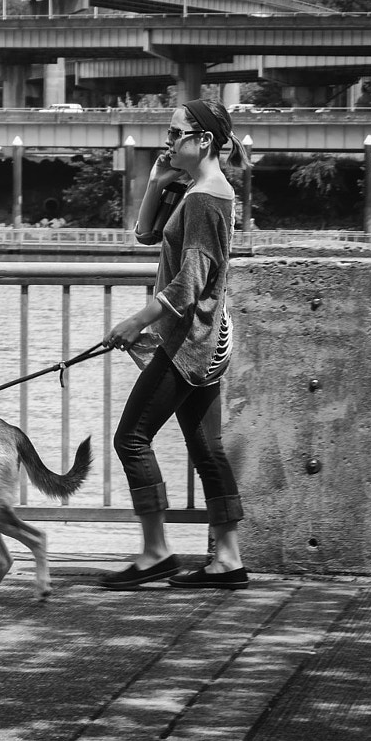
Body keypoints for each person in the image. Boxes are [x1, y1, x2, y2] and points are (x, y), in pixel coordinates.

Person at [98, 97, 248, 591]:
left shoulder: (207, 199)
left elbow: (190, 284)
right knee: (207, 447)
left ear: (203, 140)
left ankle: (156, 553)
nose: (166, 141)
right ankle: (227, 560)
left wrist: (136, 321)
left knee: (130, 439)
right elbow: (144, 234)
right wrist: (158, 182)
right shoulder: (198, 190)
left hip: (191, 339)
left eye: (174, 133)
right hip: (201, 333)